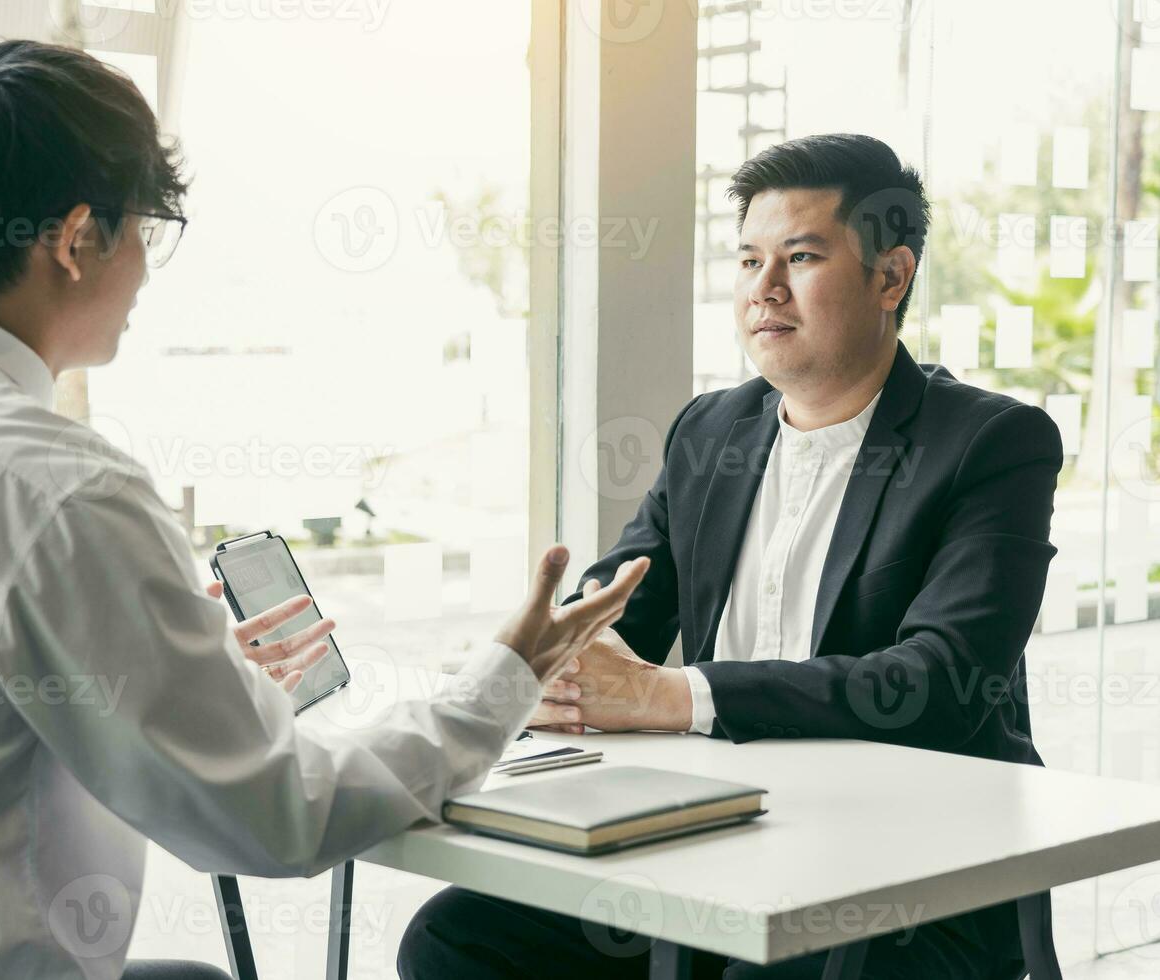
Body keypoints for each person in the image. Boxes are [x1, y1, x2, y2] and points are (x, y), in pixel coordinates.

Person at [0, 40, 649, 980]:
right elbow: (281, 818)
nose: (148, 274)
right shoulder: (57, 487)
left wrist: (170, 680)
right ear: (77, 241)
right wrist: (505, 677)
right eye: (147, 232)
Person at [399, 134, 1058, 979]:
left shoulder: (989, 445)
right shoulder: (712, 432)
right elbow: (618, 610)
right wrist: (550, 662)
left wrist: (666, 695)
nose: (764, 290)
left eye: (802, 256)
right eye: (748, 261)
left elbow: (936, 685)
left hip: (914, 874)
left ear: (890, 277)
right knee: (457, 936)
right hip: (720, 839)